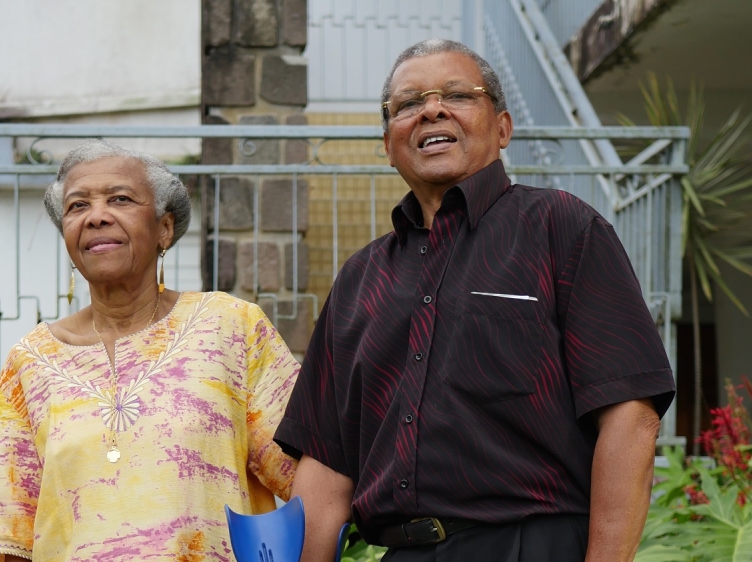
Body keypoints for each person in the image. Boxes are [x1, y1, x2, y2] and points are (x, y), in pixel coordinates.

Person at [275, 39, 676, 562]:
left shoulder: (561, 228)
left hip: (532, 544)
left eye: (458, 95)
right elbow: (327, 469)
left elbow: (630, 416)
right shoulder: (359, 279)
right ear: (387, 141)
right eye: (408, 104)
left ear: (503, 128)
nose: (432, 110)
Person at [0, 139, 299, 561]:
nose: (96, 217)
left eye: (120, 199)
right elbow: (3, 540)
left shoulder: (231, 327)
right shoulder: (29, 364)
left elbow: (310, 476)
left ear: (165, 228)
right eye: (77, 206)